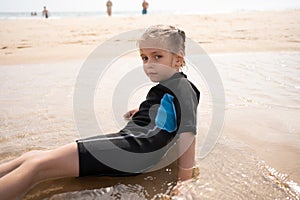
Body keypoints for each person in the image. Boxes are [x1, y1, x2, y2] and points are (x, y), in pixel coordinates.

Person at [0, 25, 200, 199]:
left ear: (178, 59)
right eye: (144, 58)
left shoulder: (181, 86)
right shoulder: (170, 87)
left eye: (158, 56)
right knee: (33, 156)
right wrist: (142, 111)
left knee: (38, 166)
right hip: (133, 144)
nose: (149, 64)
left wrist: (184, 183)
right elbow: (169, 113)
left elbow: (188, 133)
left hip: (134, 149)